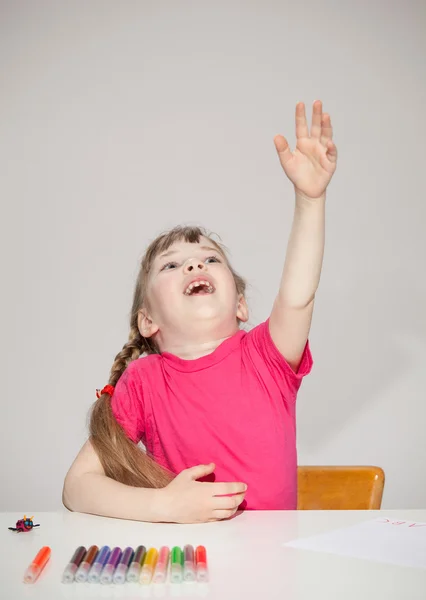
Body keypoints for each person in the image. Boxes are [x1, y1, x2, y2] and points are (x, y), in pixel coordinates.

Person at [63, 100, 338, 523]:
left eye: (211, 260)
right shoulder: (144, 381)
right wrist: (163, 505)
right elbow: (77, 486)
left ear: (241, 305)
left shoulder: (266, 356)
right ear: (147, 320)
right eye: (171, 265)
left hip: (277, 569)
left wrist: (309, 198)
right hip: (192, 567)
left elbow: (299, 293)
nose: (195, 265)